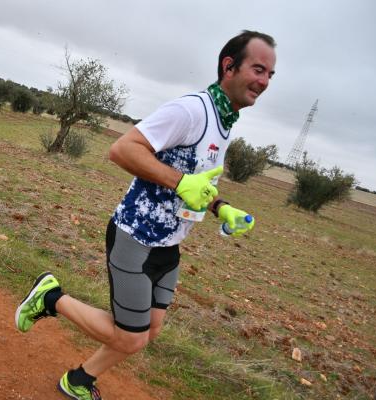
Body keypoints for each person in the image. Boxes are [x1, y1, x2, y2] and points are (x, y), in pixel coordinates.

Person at [15, 30, 276, 399]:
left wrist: (221, 207)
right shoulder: (191, 110)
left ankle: (79, 380)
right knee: (131, 337)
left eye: (270, 75)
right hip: (135, 237)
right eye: (258, 69)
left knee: (149, 331)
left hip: (168, 246)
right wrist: (181, 182)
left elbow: (197, 180)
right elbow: (122, 149)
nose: (264, 82)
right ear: (228, 66)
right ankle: (51, 298)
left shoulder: (225, 120)